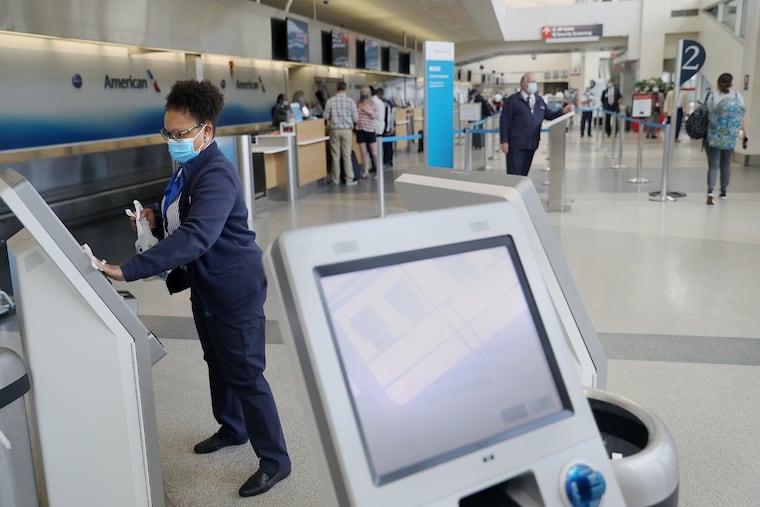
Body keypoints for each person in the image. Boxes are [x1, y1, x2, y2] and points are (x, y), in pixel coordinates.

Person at [94, 79, 291, 498]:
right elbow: (182, 214)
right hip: (205, 283)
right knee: (216, 361)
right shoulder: (189, 167)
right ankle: (233, 427)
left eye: (180, 134)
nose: (172, 141)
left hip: (233, 287)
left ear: (206, 132)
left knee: (246, 374)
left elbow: (197, 236)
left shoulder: (217, 173)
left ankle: (276, 461)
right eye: (168, 132)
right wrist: (152, 215)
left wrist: (127, 270)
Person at [499, 72, 573, 176]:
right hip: (516, 144)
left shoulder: (539, 100)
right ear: (523, 84)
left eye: (535, 82)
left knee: (524, 174)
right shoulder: (513, 101)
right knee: (514, 174)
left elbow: (549, 115)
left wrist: (563, 111)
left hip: (532, 143)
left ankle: (521, 192)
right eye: (531, 82)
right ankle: (514, 192)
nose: (534, 84)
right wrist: (504, 141)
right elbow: (504, 121)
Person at [704, 72, 748, 205]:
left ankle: (710, 191)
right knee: (726, 163)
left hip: (714, 135)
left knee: (713, 164)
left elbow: (707, 113)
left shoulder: (712, 96)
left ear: (718, 83)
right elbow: (741, 116)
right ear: (731, 83)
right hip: (730, 136)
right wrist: (745, 134)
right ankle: (723, 191)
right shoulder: (737, 96)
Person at [323, 81, 359, 185]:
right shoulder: (350, 101)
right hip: (347, 130)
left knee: (335, 155)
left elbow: (325, 116)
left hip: (334, 130)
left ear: (336, 89)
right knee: (346, 154)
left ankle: (335, 179)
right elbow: (356, 118)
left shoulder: (330, 101)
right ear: (345, 89)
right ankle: (349, 179)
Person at [356, 85, 379, 179]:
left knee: (374, 152)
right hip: (360, 130)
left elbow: (375, 115)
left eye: (365, 92)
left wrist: (366, 109)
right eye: (362, 92)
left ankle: (378, 171)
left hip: (370, 130)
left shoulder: (373, 104)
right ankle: (366, 171)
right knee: (363, 152)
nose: (363, 94)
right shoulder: (358, 104)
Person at [376, 87, 395, 167]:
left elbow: (390, 116)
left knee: (386, 145)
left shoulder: (386, 103)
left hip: (385, 127)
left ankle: (387, 160)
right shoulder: (387, 102)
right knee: (387, 145)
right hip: (385, 126)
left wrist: (390, 127)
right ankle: (387, 160)